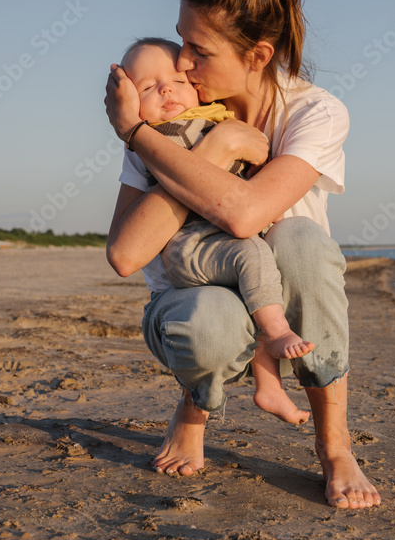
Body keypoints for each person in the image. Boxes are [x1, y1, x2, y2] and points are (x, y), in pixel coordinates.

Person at [104, 0, 381, 509]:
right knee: (210, 322)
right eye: (182, 39)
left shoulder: (315, 113)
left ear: (257, 55)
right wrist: (199, 145)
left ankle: (334, 447)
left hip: (274, 293)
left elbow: (247, 212)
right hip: (187, 302)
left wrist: (139, 133)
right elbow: (127, 256)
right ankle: (195, 405)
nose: (181, 63)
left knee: (302, 242)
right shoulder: (166, 118)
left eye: (198, 52)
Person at [118, 37, 315, 426]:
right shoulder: (156, 137)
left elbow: (259, 152)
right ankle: (276, 333)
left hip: (216, 243)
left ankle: (269, 386)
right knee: (252, 256)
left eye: (176, 80)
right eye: (146, 88)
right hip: (189, 245)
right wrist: (224, 143)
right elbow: (254, 153)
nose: (165, 90)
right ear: (129, 102)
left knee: (253, 281)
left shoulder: (210, 118)